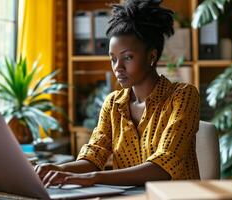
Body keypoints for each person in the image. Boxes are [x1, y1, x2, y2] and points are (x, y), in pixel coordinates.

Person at [35, 0, 200, 187]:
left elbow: (162, 168)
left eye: (127, 57)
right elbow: (93, 157)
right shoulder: (113, 104)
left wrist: (96, 178)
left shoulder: (183, 96)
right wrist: (60, 170)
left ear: (151, 56)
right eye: (113, 59)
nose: (117, 67)